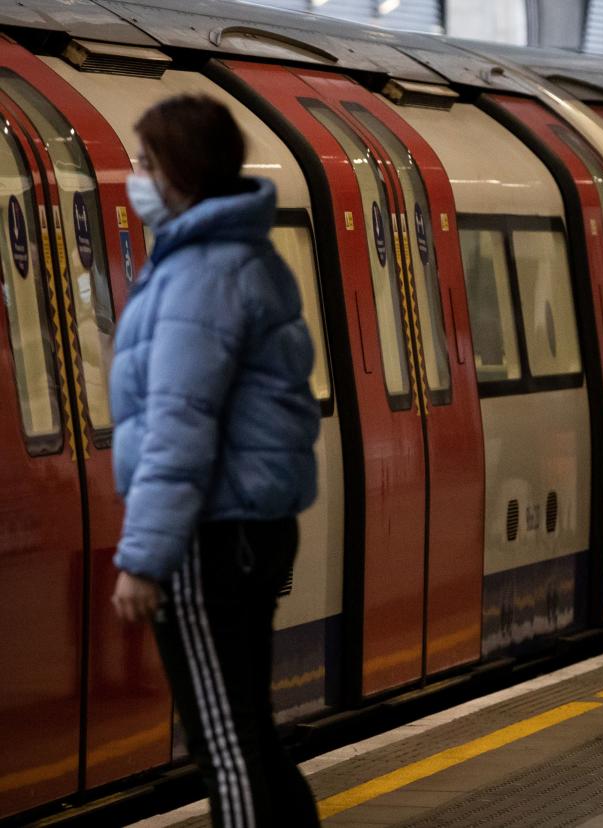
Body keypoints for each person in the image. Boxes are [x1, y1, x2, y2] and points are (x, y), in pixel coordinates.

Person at [109, 95, 322, 827]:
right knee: (249, 731)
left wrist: (143, 559)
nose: (136, 178)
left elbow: (178, 425)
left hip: (209, 535)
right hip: (247, 528)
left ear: (179, 172)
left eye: (145, 163)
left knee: (224, 745)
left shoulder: (200, 271)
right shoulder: (242, 255)